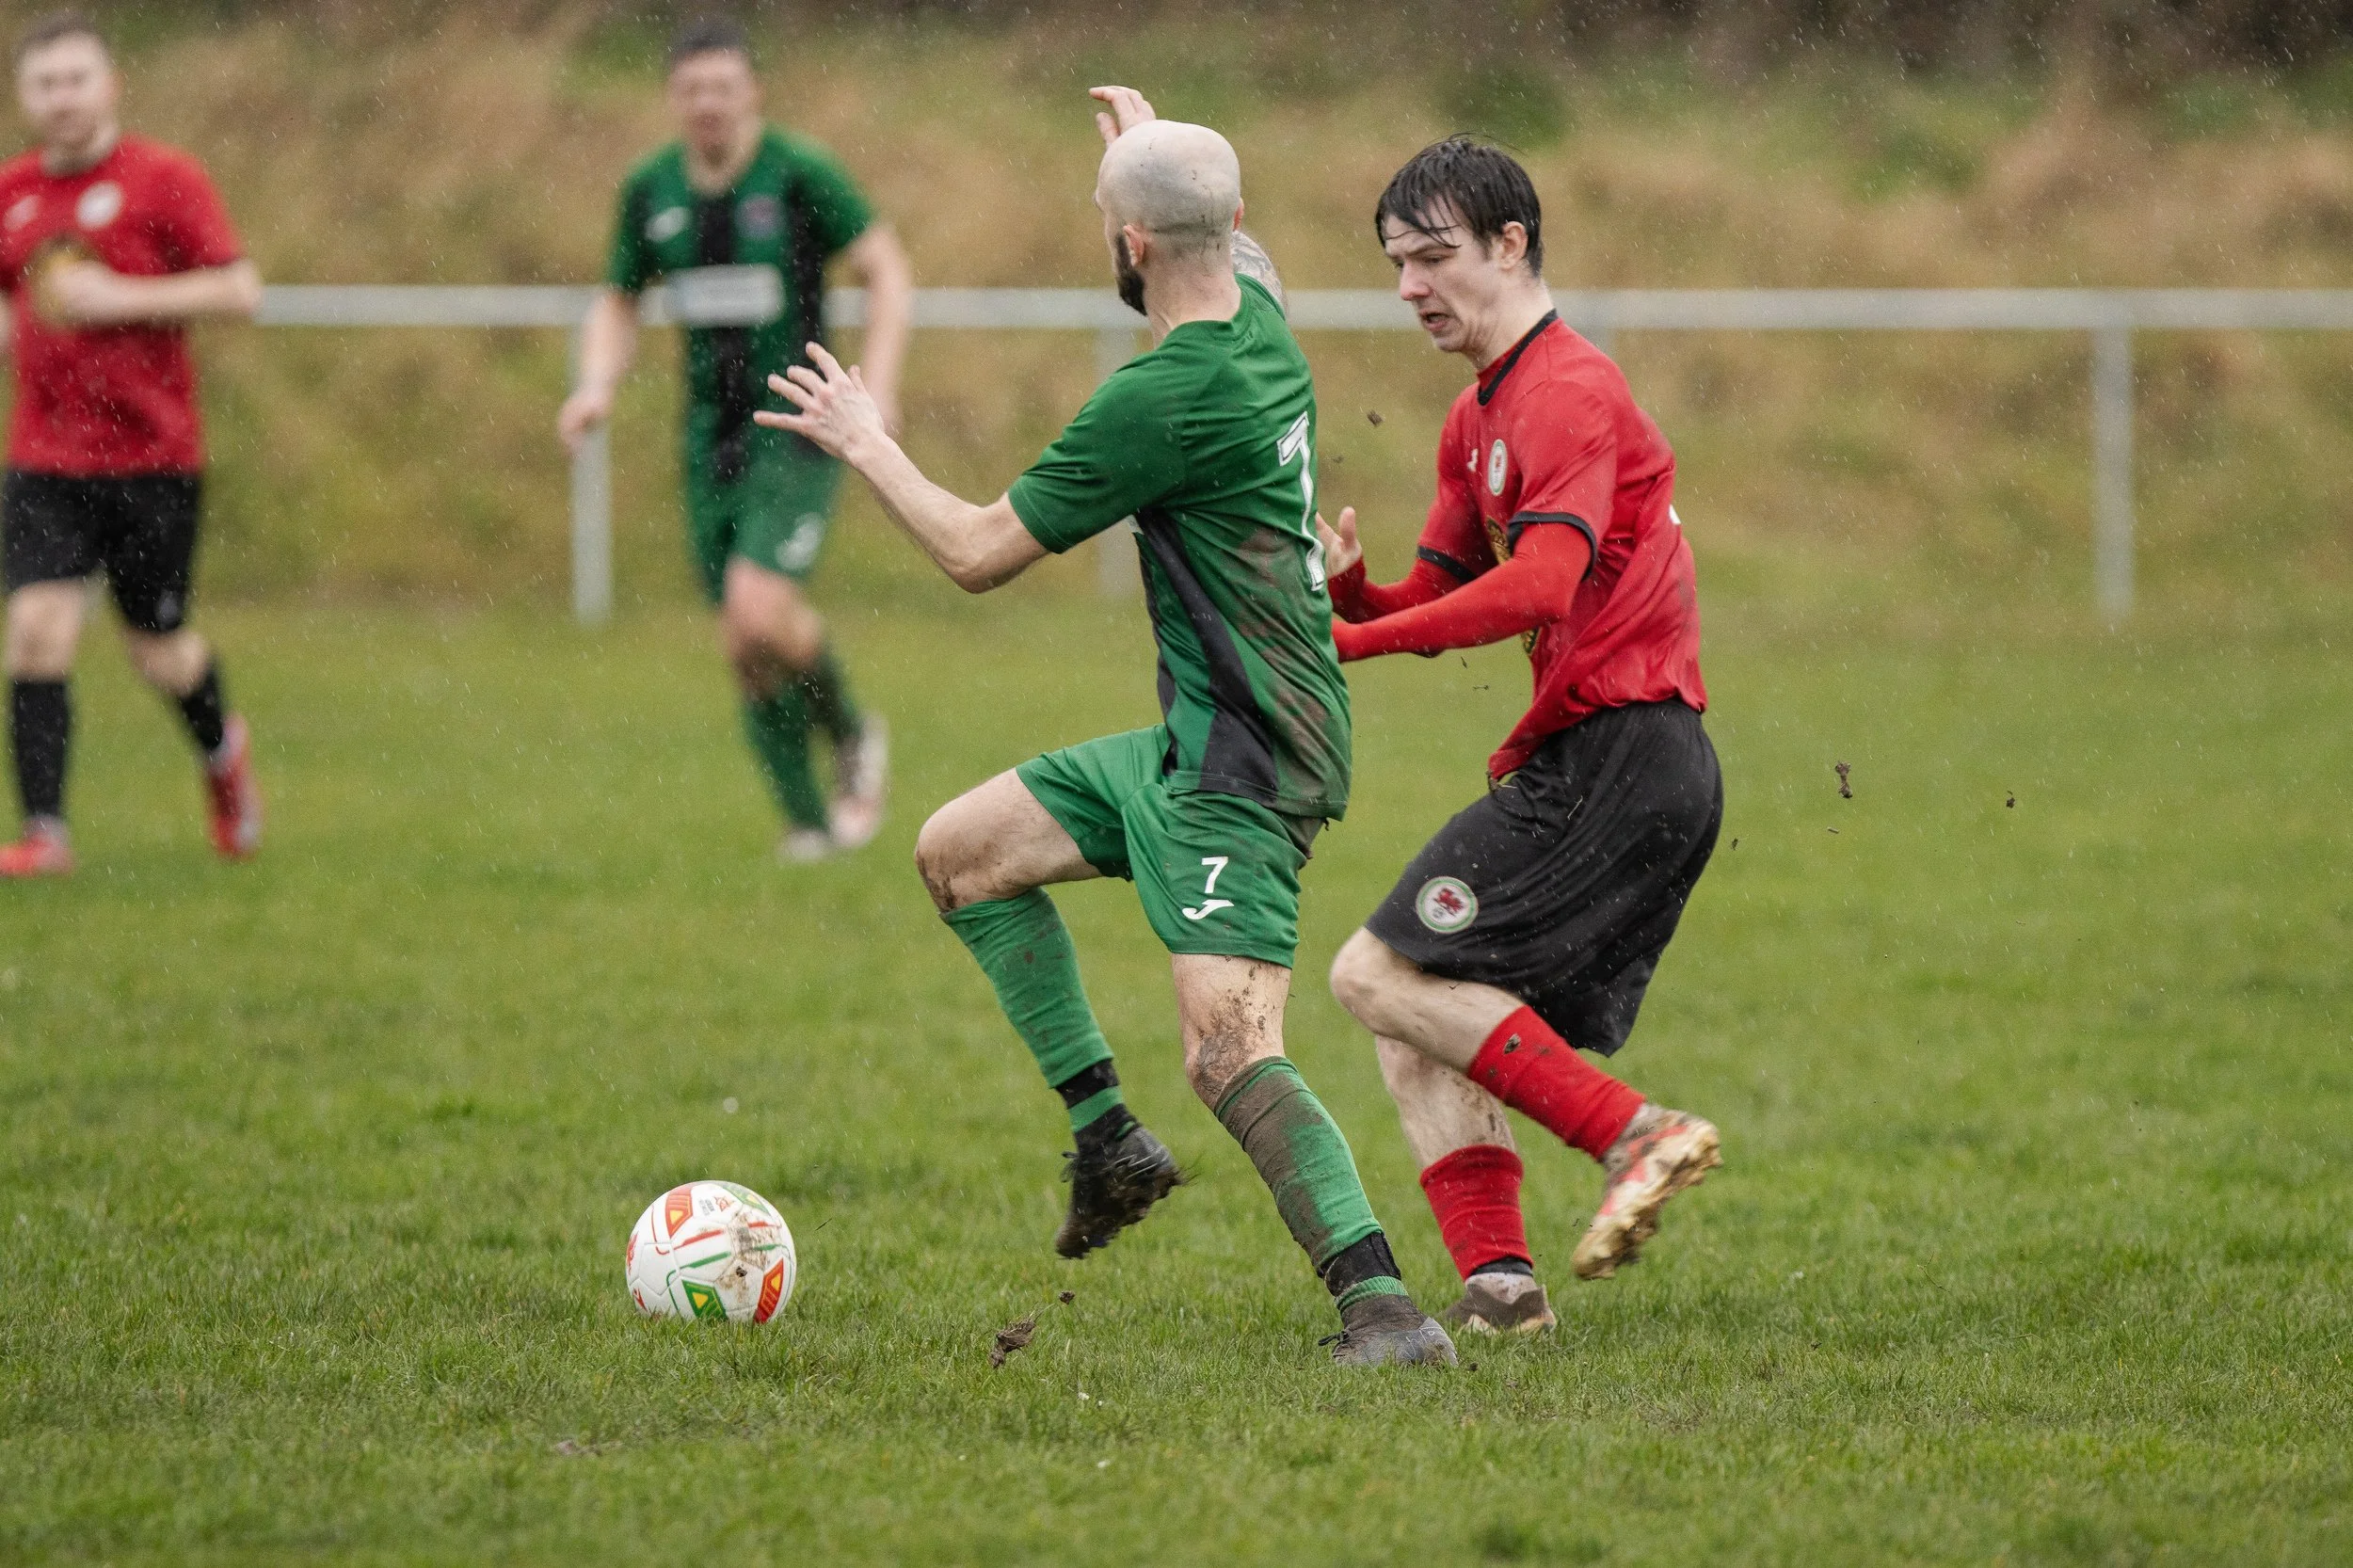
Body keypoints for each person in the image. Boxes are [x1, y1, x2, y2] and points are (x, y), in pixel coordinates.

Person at [760, 86, 1453, 1368]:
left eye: (1112, 221)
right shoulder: (1260, 314)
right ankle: (1107, 1142)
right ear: (1232, 221)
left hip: (1248, 758)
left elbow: (975, 551)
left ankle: (1388, 1312)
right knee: (960, 853)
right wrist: (1141, 155)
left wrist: (866, 438)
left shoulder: (1159, 401)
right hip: (1198, 733)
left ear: (1127, 244)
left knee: (1228, 1048)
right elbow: (1212, 234)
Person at [1319, 138, 1723, 1336]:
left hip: (1625, 757)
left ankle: (1634, 1133)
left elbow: (1542, 587)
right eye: (1395, 264)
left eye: (1434, 257)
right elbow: (1438, 599)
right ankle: (1502, 1293)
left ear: (1511, 245)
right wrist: (1354, 598)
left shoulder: (1566, 392)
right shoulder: (1474, 415)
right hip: (1601, 759)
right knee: (1413, 1017)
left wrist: (1344, 650)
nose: (1409, 287)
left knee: (1368, 975)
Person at [558, 18, 910, 863]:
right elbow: (617, 298)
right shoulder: (653, 190)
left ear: (752, 91)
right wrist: (596, 384)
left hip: (798, 426)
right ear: (673, 98)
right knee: (745, 644)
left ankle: (854, 734)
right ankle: (808, 827)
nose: (707, 103)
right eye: (692, 89)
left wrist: (882, 386)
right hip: (707, 443)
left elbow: (887, 267)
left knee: (758, 612)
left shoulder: (798, 175)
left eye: (723, 86)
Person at [0, 10, 264, 877]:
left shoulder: (165, 179)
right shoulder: (13, 194)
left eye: (77, 79)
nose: (62, 98)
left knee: (159, 650)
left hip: (152, 458)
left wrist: (123, 299)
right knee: (35, 630)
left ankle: (223, 756)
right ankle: (47, 834)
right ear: (23, 96)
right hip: (45, 457)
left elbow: (238, 290)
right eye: (45, 83)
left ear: (109, 86)